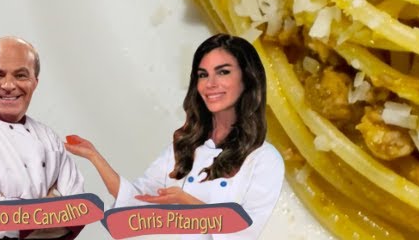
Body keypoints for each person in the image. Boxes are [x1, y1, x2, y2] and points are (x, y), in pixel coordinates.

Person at [65, 34, 284, 240]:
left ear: (248, 79)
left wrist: (187, 202)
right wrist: (94, 157)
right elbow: (135, 200)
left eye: (223, 72)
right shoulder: (185, 146)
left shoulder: (265, 160)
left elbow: (244, 233)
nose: (210, 83)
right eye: (203, 75)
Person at [0, 37, 86, 240]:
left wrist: (19, 213)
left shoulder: (49, 137)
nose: (8, 85)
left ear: (35, 82)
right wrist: (53, 209)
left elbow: (81, 211)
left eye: (21, 75)